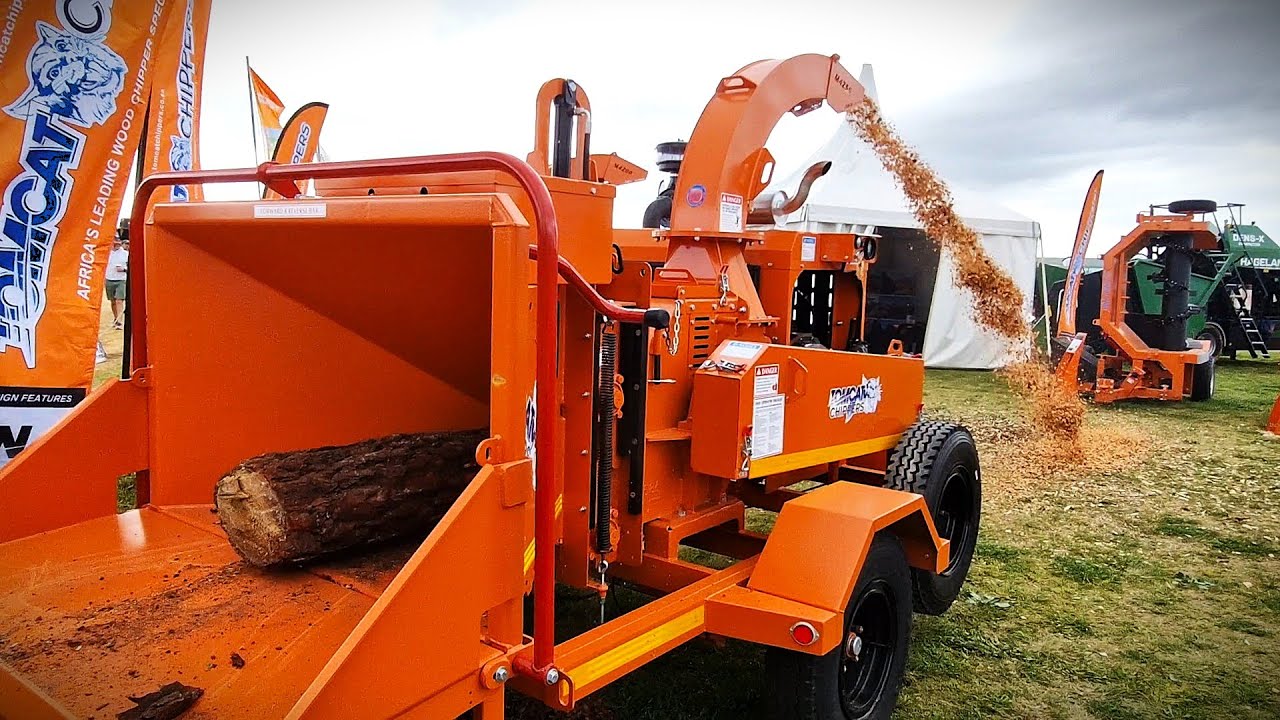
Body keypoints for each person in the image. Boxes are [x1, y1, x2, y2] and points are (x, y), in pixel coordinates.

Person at [105, 221, 129, 329]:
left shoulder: (125, 254)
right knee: (113, 301)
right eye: (115, 240)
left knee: (119, 300)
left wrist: (124, 269)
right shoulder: (106, 253)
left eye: (118, 240)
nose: (117, 242)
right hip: (109, 279)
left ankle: (119, 321)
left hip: (121, 280)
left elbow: (131, 267)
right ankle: (116, 318)